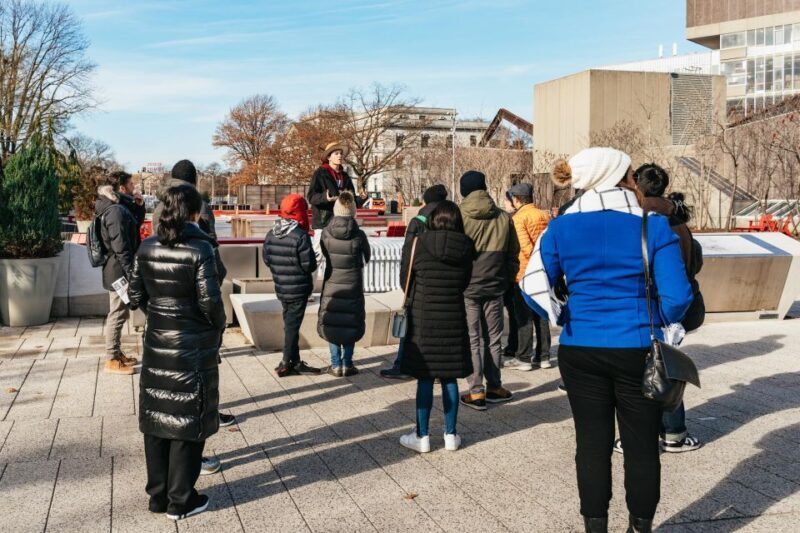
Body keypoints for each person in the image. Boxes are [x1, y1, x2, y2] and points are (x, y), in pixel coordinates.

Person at [521, 147, 693, 533]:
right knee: (641, 445)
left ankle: (595, 526)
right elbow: (679, 297)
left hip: (580, 347)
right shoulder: (652, 226)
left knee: (591, 443)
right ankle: (639, 526)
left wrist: (565, 315)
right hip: (638, 348)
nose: (635, 180)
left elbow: (532, 285)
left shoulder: (560, 227)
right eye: (630, 174)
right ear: (619, 177)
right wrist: (656, 320)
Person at [129, 185, 226, 521]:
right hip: (192, 345)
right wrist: (217, 327)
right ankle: (180, 500)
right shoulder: (201, 249)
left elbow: (135, 294)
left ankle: (157, 495)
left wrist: (159, 316)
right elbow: (210, 302)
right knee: (187, 417)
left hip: (158, 342)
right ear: (195, 213)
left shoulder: (147, 246)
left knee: (157, 416)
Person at [609, 164, 703, 454]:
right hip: (674, 306)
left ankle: (636, 435)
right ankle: (674, 433)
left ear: (635, 183)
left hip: (644, 305)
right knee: (666, 365)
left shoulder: (636, 218)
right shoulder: (677, 218)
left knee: (636, 373)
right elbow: (695, 263)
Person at [398, 200, 474, 452]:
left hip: (424, 318)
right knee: (450, 377)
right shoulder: (466, 247)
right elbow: (465, 283)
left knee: (425, 377)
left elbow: (405, 280)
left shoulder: (419, 244)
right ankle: (451, 435)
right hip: (453, 318)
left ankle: (422, 436)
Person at [458, 171, 520, 410]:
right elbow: (513, 253)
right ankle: (495, 386)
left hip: (468, 286)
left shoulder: (459, 215)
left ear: (464, 190)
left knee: (472, 339)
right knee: (494, 339)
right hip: (495, 285)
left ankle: (476, 391)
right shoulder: (504, 217)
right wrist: (506, 278)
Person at [380, 184, 448, 379]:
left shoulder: (418, 221)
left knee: (409, 327)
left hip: (419, 282)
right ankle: (437, 369)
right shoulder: (451, 218)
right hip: (444, 283)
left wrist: (406, 285)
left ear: (425, 200)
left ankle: (402, 366)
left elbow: (407, 256)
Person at [262, 194, 322, 377]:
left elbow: (267, 259)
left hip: (281, 287)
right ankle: (286, 362)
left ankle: (295, 362)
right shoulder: (300, 235)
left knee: (290, 323)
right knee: (292, 326)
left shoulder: (272, 233)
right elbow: (309, 265)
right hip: (299, 289)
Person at [95, 171, 145, 375]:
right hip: (118, 271)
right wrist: (131, 273)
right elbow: (121, 247)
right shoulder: (115, 211)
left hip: (118, 268)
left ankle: (116, 353)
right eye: (131, 184)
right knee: (117, 313)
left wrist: (139, 206)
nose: (134, 187)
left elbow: (134, 225)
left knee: (121, 311)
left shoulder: (117, 206)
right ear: (122, 188)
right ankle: (111, 359)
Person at [317, 192, 371, 376]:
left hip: (332, 282)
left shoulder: (326, 233)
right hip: (353, 284)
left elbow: (324, 254)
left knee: (333, 322)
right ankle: (347, 364)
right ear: (353, 211)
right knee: (350, 322)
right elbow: (367, 257)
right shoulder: (359, 235)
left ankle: (335, 365)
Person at [504, 182, 552, 371]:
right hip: (543, 271)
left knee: (524, 317)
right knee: (542, 315)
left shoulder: (519, 218)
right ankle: (544, 356)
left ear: (516, 199)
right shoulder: (544, 215)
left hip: (524, 272)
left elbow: (524, 247)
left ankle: (524, 358)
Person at [306, 142, 367, 260]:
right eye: (336, 153)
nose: (340, 156)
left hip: (341, 224)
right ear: (329, 157)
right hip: (324, 223)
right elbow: (311, 197)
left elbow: (351, 201)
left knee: (337, 258)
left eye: (341, 153)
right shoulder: (320, 173)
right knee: (318, 257)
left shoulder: (345, 176)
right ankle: (314, 273)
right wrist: (325, 198)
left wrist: (362, 198)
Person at [152, 159, 216, 240]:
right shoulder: (199, 205)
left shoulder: (161, 206)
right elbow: (210, 240)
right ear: (194, 181)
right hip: (194, 248)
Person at [501, 192, 519, 360]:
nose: (505, 203)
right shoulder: (508, 218)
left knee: (514, 312)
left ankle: (514, 346)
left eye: (506, 200)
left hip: (512, 273)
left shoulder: (512, 219)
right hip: (516, 271)